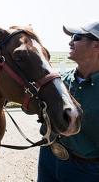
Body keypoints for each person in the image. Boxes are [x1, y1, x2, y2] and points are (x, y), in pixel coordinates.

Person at [37, 21, 99, 182]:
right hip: (48, 157)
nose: (70, 41)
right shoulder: (59, 81)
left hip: (86, 170)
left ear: (96, 45)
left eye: (77, 37)